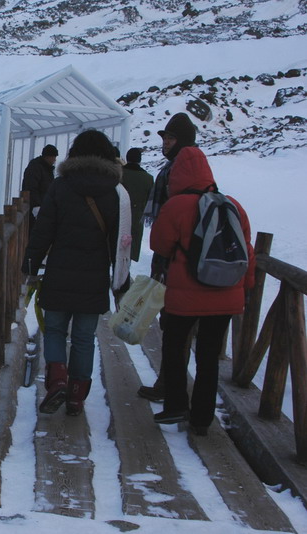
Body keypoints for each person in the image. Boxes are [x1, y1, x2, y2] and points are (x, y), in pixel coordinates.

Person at [22, 130, 131, 416]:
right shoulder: (117, 192)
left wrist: (31, 266)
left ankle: (57, 380)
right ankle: (75, 398)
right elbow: (121, 242)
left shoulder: (60, 186)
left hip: (60, 270)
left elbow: (43, 230)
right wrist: (120, 282)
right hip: (94, 275)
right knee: (84, 337)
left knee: (56, 330)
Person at [150, 146, 254, 435]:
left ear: (178, 175)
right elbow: (248, 250)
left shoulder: (177, 205)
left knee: (174, 347)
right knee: (208, 357)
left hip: (185, 296)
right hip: (226, 295)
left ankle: (175, 405)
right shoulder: (232, 204)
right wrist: (247, 287)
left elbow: (159, 245)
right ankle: (202, 419)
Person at [137, 112, 198, 402]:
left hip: (177, 259)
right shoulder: (180, 167)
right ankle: (170, 385)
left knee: (175, 327)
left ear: (182, 141)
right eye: (164, 138)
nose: (165, 143)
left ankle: (172, 390)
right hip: (176, 257)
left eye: (170, 138)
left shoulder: (180, 170)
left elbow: (174, 217)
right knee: (173, 326)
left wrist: (164, 256)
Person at [122, 148, 154, 262]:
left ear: (127, 158)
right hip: (136, 220)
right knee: (129, 252)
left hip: (118, 217)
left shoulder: (119, 174)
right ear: (140, 160)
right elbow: (149, 202)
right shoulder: (148, 178)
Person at [21, 144, 58, 234]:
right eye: (53, 157)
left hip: (42, 207)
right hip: (34, 210)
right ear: (47, 157)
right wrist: (36, 206)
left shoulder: (46, 169)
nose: (54, 160)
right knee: (34, 232)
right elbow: (31, 187)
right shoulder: (35, 167)